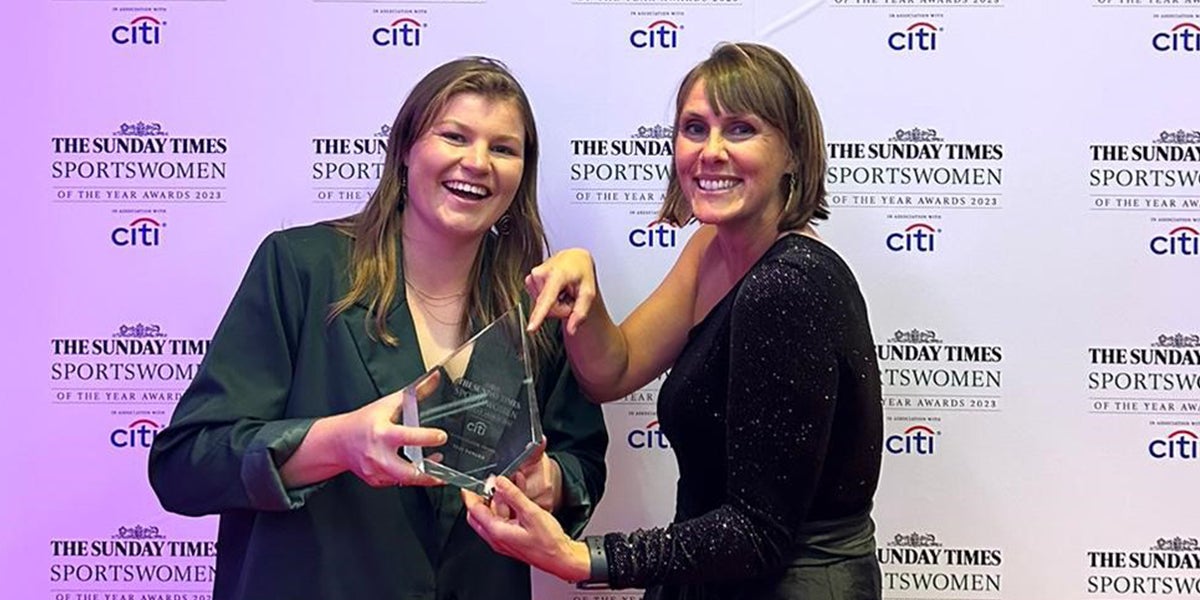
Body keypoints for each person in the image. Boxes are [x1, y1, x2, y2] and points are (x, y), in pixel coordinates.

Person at [148, 57, 608, 600]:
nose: (477, 162)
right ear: (407, 151)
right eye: (454, 136)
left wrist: (549, 483)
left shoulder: (535, 305)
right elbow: (185, 464)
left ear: (521, 174)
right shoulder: (302, 267)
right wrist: (335, 444)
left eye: (503, 148)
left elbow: (582, 461)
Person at [464, 42, 883, 599]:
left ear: (794, 154)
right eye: (694, 128)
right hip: (716, 578)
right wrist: (583, 292)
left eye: (740, 130)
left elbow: (758, 533)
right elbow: (612, 372)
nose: (710, 150)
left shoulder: (789, 284)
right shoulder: (710, 249)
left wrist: (580, 557)